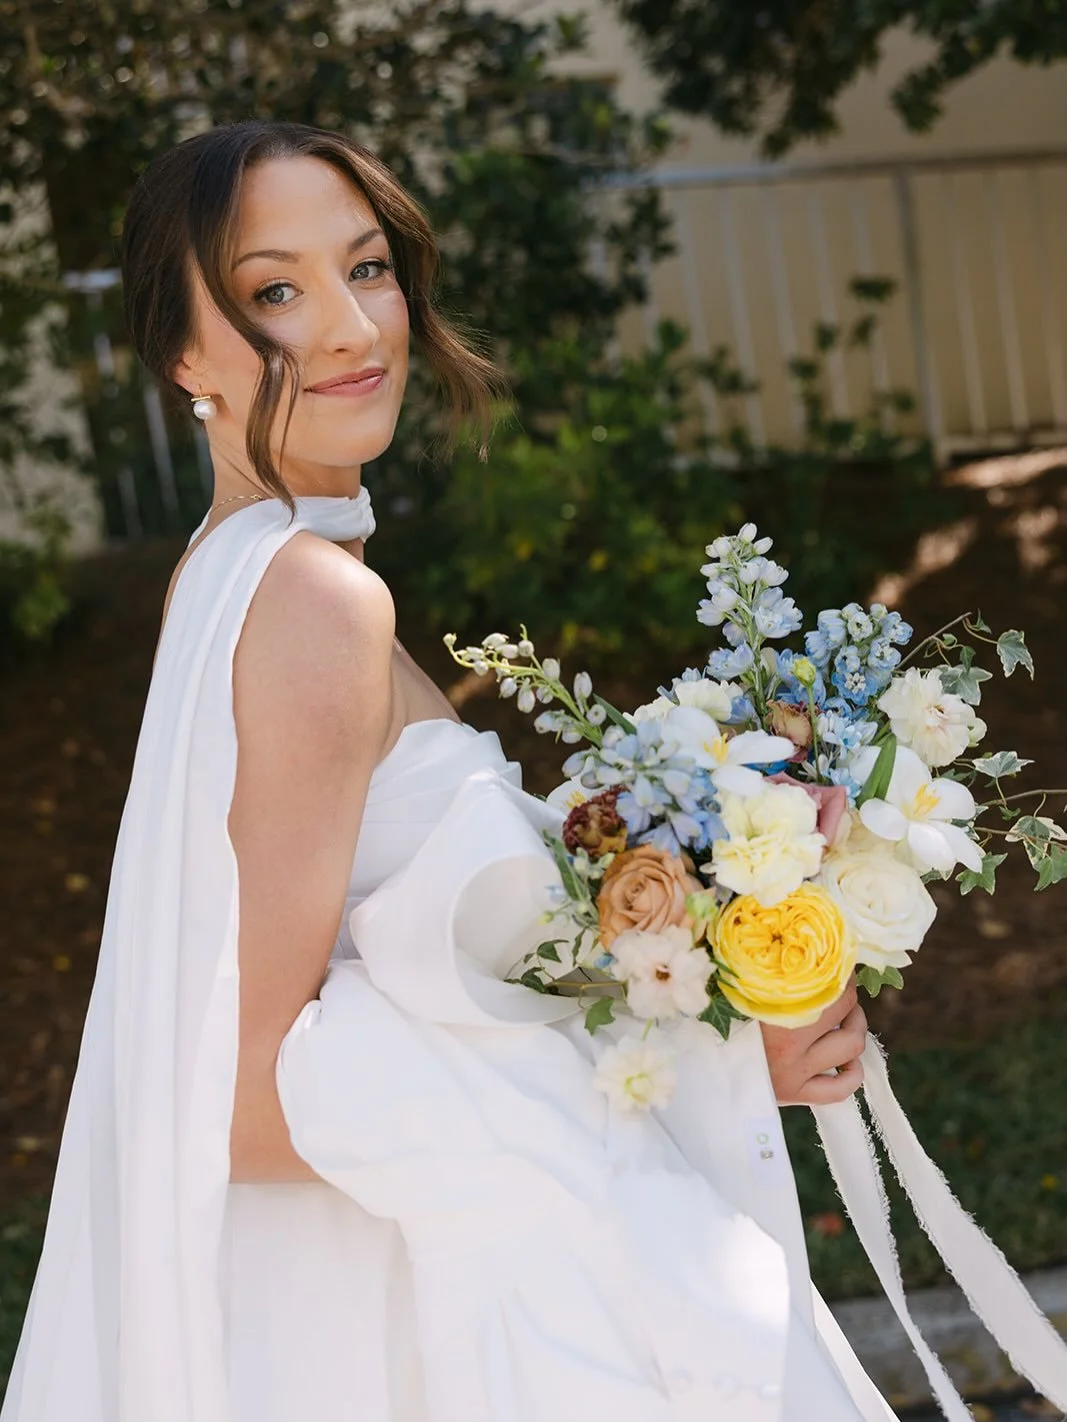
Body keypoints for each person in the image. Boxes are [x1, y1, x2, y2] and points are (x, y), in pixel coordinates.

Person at [2, 120, 901, 1422]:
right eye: (273, 292)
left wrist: (707, 1026)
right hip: (462, 1331)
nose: (353, 325)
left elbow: (406, 1007)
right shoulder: (310, 603)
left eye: (365, 267)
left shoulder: (241, 577)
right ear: (182, 352)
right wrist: (678, 1076)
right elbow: (250, 1095)